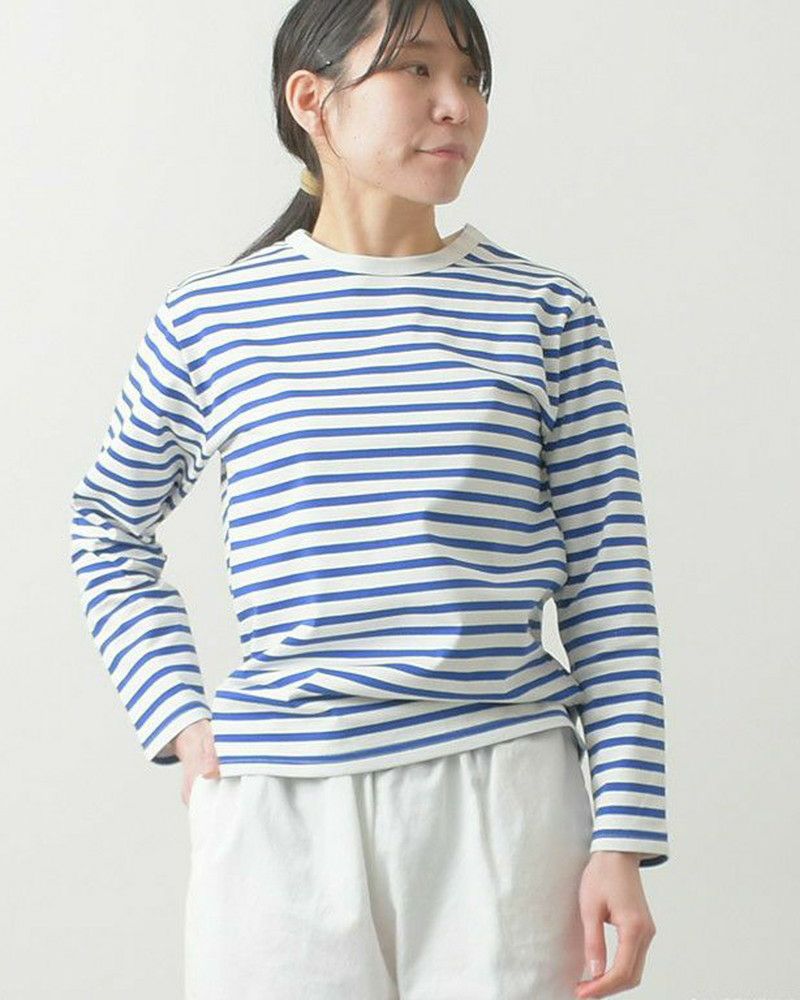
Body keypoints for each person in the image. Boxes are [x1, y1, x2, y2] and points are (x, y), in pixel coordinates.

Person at [67, 0, 669, 997]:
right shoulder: (211, 317)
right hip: (279, 811)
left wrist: (622, 835)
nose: (456, 105)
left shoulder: (545, 311)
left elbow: (610, 585)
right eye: (417, 69)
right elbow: (106, 525)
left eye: (472, 78)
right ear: (312, 100)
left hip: (505, 798)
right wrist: (176, 710)